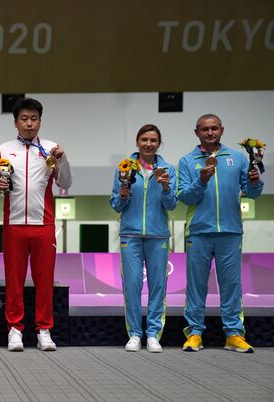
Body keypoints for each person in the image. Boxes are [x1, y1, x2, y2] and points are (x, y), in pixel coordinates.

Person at [178, 114, 263, 353]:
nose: (210, 132)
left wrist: (255, 183)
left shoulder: (237, 158)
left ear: (222, 130)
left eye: (214, 128)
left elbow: (252, 193)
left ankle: (233, 334)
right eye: (205, 129)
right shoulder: (187, 161)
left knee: (231, 285)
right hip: (198, 232)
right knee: (196, 286)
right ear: (197, 133)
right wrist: (201, 180)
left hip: (230, 231)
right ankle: (194, 333)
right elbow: (184, 196)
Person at [0, 98, 72, 351]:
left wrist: (62, 159)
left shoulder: (52, 148)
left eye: (34, 118)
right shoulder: (3, 149)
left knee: (44, 280)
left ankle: (44, 330)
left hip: (43, 223)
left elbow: (65, 183)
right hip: (14, 223)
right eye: (24, 119)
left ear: (40, 121)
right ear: (15, 122)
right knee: (13, 280)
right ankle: (15, 330)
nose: (29, 123)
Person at [110, 124, 177, 353]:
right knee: (132, 286)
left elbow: (172, 204)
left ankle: (153, 334)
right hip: (131, 234)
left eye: (153, 140)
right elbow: (115, 205)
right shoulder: (125, 167)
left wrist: (166, 188)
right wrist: (122, 195)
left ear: (159, 143)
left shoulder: (168, 168)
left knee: (159, 286)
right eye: (144, 139)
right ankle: (135, 334)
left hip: (158, 235)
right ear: (137, 142)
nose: (149, 144)